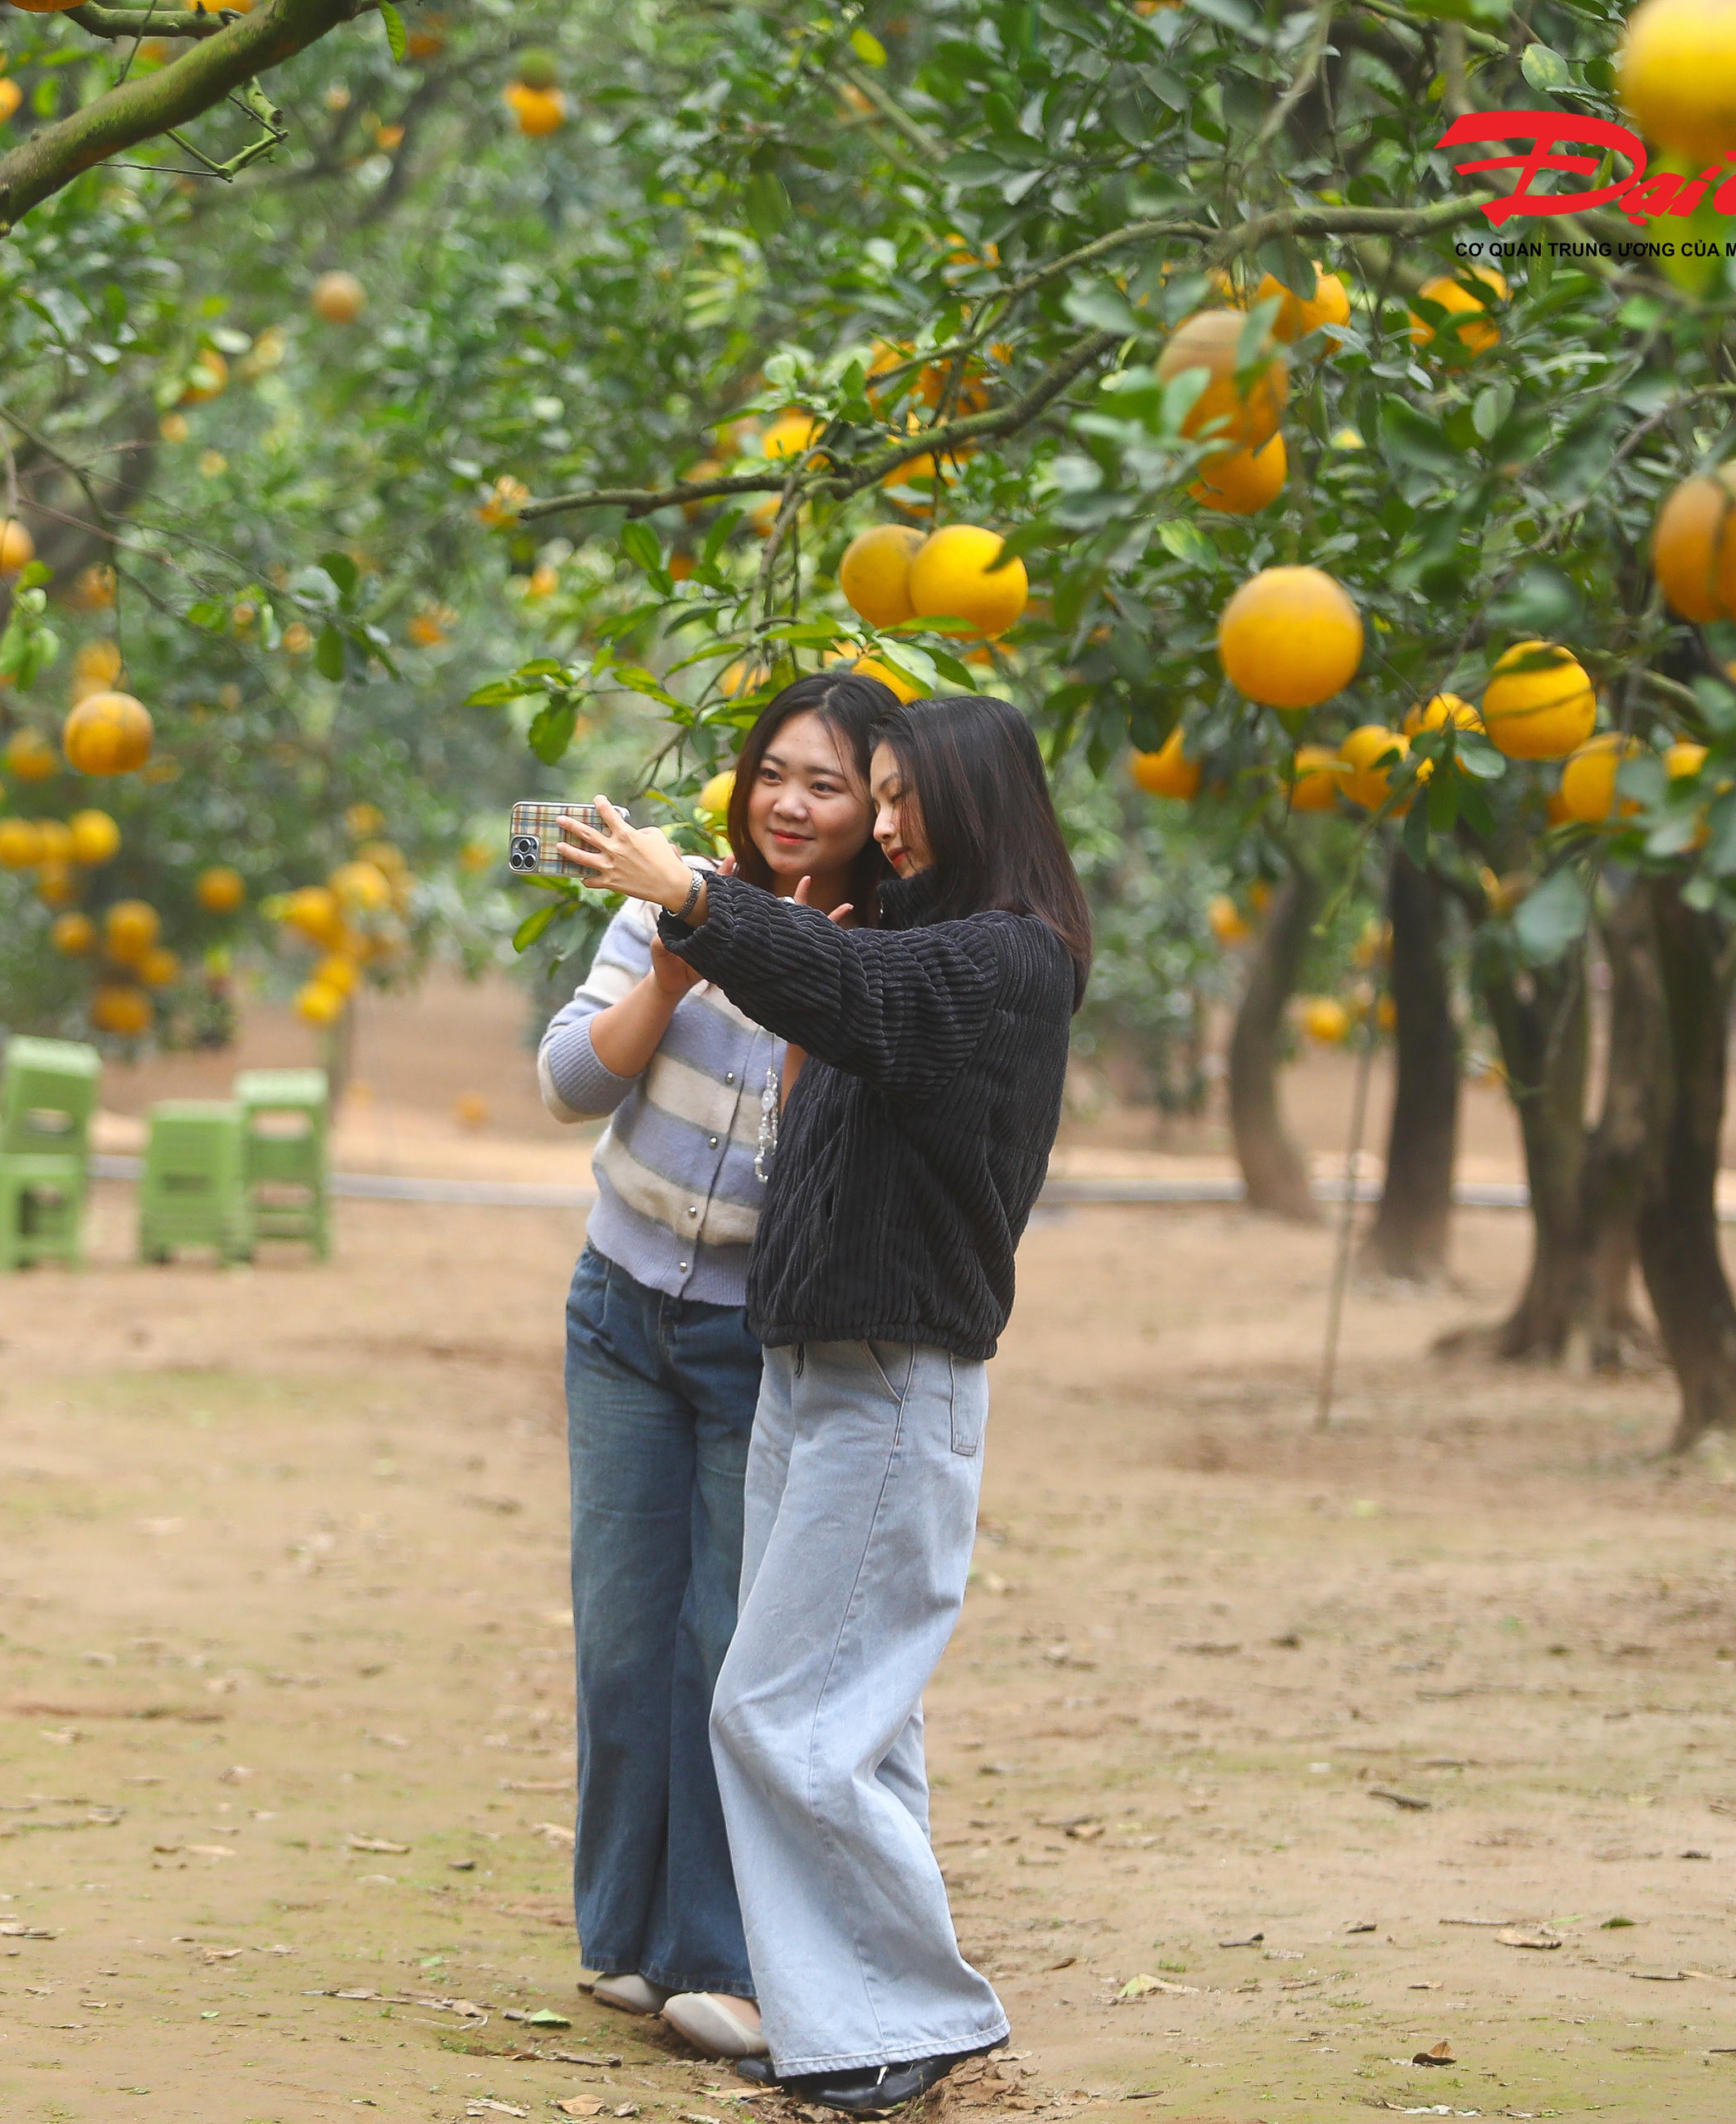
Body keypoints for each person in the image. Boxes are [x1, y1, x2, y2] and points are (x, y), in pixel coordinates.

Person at [556, 693, 1090, 2118]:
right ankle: (848, 2013)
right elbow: (830, 1000)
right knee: (846, 1719)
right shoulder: (915, 936)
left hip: (893, 1378)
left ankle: (907, 2016)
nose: (888, 823)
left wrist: (695, 896)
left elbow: (861, 1001)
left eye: (902, 798)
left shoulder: (1006, 963)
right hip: (815, 1361)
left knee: (783, 1709)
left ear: (975, 804)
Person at [534, 671, 895, 2061]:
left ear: (879, 809)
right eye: (775, 776)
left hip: (760, 1337)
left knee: (719, 1647)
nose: (794, 805)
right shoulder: (666, 901)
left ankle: (712, 1949)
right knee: (622, 1631)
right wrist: (678, 966)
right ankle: (622, 1937)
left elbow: (840, 1152)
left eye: (831, 784)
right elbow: (569, 1079)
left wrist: (795, 989)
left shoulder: (877, 948)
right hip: (618, 1310)